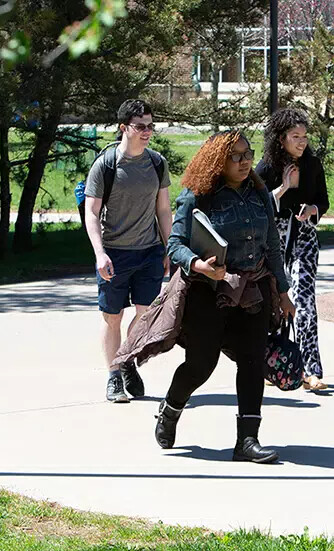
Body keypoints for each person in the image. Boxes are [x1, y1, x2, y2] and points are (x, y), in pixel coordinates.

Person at [153, 130, 295, 463]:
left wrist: (284, 290)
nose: (246, 161)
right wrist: (199, 265)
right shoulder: (198, 194)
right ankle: (171, 407)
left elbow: (272, 245)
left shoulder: (258, 193)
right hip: (210, 294)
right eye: (237, 156)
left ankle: (247, 441)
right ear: (219, 160)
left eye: (248, 154)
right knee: (201, 364)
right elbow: (175, 245)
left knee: (251, 362)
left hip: (254, 292)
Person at [84, 99, 172, 403]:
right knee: (113, 317)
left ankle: (126, 361)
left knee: (146, 315)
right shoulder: (106, 165)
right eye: (140, 127)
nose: (147, 132)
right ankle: (114, 376)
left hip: (148, 251)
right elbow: (91, 213)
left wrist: (169, 248)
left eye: (150, 126)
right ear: (124, 128)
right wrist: (99, 253)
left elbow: (163, 209)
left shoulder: (157, 163)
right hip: (114, 253)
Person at [255, 108, 329, 392]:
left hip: (304, 240)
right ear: (280, 138)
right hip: (272, 243)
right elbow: (258, 206)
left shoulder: (313, 165)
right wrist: (283, 188)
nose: (302, 142)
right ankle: (272, 364)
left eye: (305, 136)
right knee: (272, 303)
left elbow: (323, 201)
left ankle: (312, 370)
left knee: (304, 302)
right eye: (295, 136)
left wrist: (312, 209)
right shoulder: (266, 168)